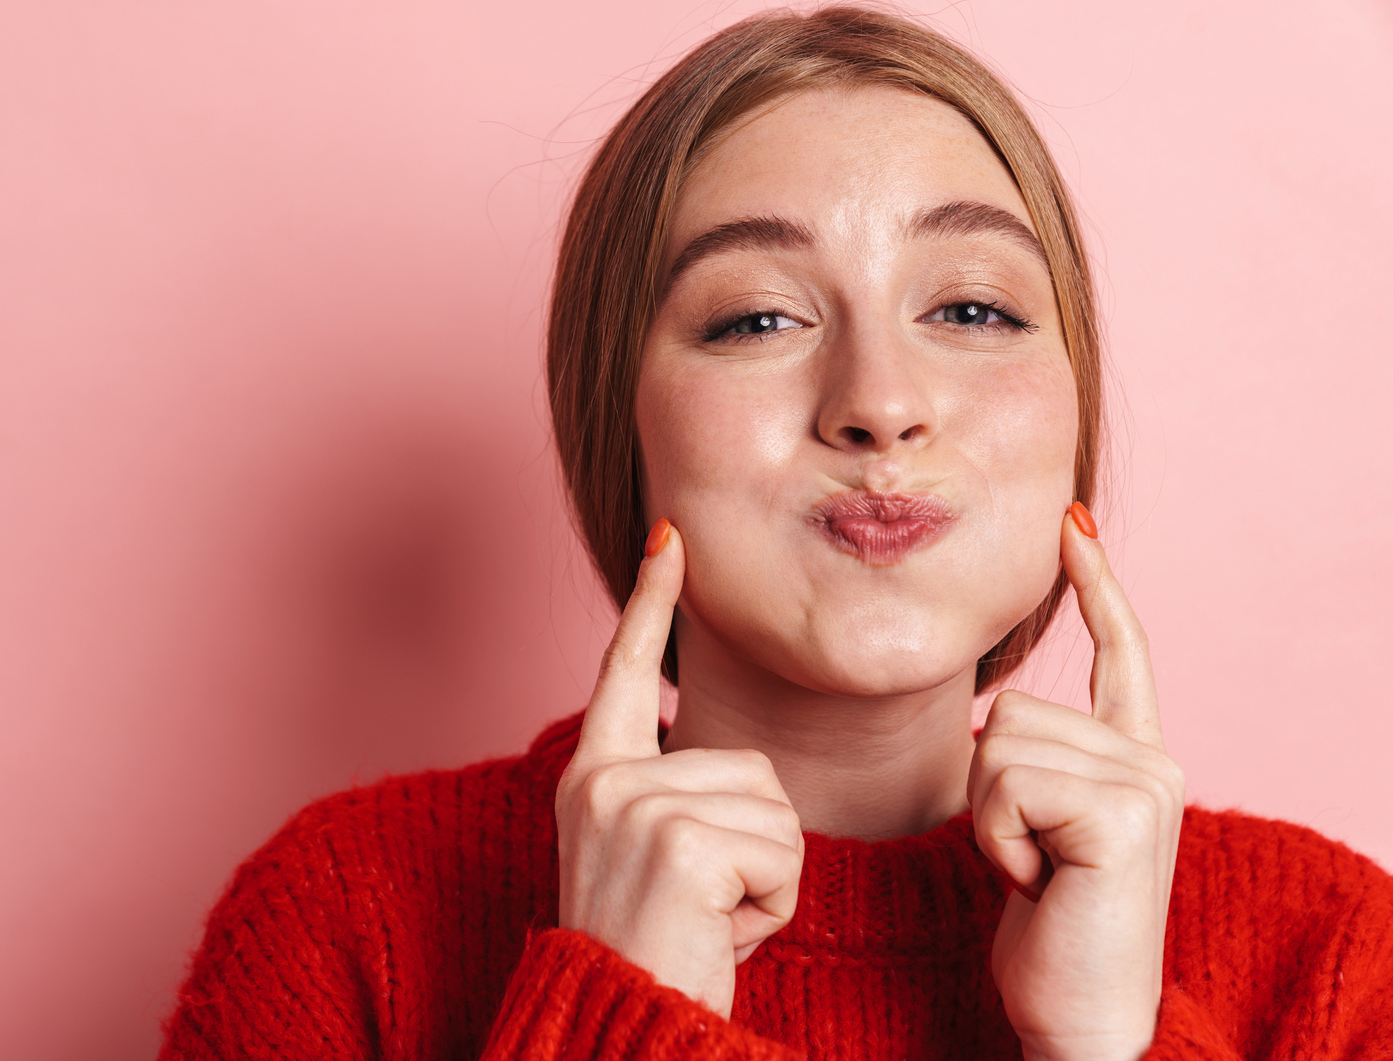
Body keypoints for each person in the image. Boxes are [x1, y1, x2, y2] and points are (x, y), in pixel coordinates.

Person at [157, 7, 1393, 1059]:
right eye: (755, 319)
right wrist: (614, 1014)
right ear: (618, 418)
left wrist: (1109, 1045)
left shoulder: (1327, 951)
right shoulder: (344, 914)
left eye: (970, 305)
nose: (879, 404)